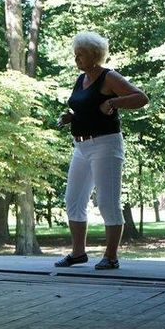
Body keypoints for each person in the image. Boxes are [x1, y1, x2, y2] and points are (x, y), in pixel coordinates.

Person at [54, 32, 149, 270]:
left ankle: (111, 256)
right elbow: (86, 107)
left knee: (107, 201)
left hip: (105, 144)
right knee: (73, 199)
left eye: (81, 54)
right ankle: (78, 253)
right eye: (75, 55)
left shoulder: (109, 77)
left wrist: (114, 102)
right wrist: (71, 117)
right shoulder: (80, 79)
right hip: (81, 146)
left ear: (94, 55)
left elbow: (141, 98)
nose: (77, 59)